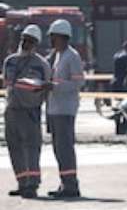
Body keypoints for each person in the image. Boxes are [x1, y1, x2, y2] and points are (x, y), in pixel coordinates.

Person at [4, 25, 52, 198]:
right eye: (24, 40)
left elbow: (47, 87)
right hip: (12, 110)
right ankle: (22, 182)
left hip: (30, 111)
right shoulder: (10, 61)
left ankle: (32, 184)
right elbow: (7, 85)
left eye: (30, 41)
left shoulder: (41, 64)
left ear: (36, 44)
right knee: (14, 147)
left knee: (31, 148)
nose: (26, 44)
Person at [46, 19, 84, 199]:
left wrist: (55, 86)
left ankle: (71, 185)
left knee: (65, 148)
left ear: (62, 37)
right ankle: (65, 182)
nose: (51, 41)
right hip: (55, 109)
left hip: (65, 109)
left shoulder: (72, 56)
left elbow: (78, 82)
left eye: (53, 37)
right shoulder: (58, 56)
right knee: (58, 149)